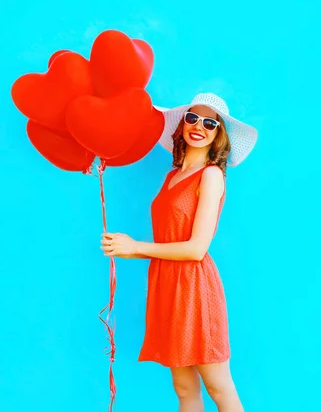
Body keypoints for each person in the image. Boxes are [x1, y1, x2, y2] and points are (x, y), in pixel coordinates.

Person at [100, 93, 258, 412]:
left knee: (218, 385)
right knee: (184, 388)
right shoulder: (172, 176)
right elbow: (169, 238)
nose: (199, 126)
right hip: (167, 284)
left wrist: (137, 246)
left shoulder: (211, 176)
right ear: (182, 125)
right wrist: (131, 253)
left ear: (218, 134)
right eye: (192, 118)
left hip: (195, 288)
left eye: (210, 123)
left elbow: (197, 249)